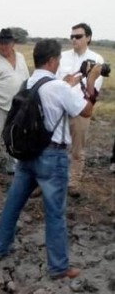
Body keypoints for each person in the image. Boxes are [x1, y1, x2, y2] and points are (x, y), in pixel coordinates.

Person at [0, 39, 101, 280]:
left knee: (13, 203)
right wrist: (91, 80)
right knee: (55, 213)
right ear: (52, 60)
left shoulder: (28, 82)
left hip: (27, 154)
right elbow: (86, 110)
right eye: (58, 60)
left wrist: (68, 83)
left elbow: (48, 93)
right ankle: (59, 267)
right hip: (53, 157)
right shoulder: (59, 88)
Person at [56, 23, 104, 197]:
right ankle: (51, 179)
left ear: (88, 38)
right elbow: (56, 81)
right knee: (54, 145)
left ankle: (74, 181)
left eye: (78, 36)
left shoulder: (97, 59)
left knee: (77, 148)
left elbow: (93, 89)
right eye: (72, 36)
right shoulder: (62, 57)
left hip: (81, 108)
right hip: (59, 108)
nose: (74, 39)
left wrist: (77, 83)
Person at [0, 28, 30, 175]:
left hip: (18, 106)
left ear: (13, 43)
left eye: (6, 43)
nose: (3, 46)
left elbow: (26, 80)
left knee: (15, 136)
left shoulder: (20, 57)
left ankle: (12, 166)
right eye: (1, 43)